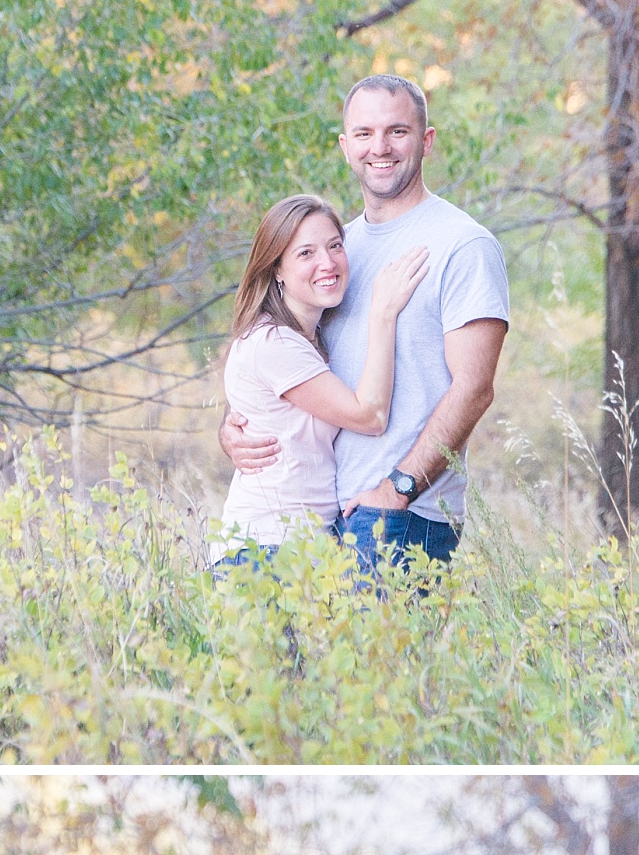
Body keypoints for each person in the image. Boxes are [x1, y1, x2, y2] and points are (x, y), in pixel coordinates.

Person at [219, 74, 509, 584]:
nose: (380, 147)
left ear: (427, 140)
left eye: (397, 131)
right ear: (345, 146)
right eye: (364, 133)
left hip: (402, 514)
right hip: (325, 520)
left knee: (383, 666)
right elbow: (284, 356)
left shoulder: (463, 244)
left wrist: (399, 488)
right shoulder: (335, 250)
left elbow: (474, 388)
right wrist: (235, 424)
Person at [212, 194, 430, 576]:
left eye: (334, 246)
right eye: (305, 253)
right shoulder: (273, 342)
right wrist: (383, 312)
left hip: (301, 548)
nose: (327, 263)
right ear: (275, 268)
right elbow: (370, 415)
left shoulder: (307, 337)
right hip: (265, 550)